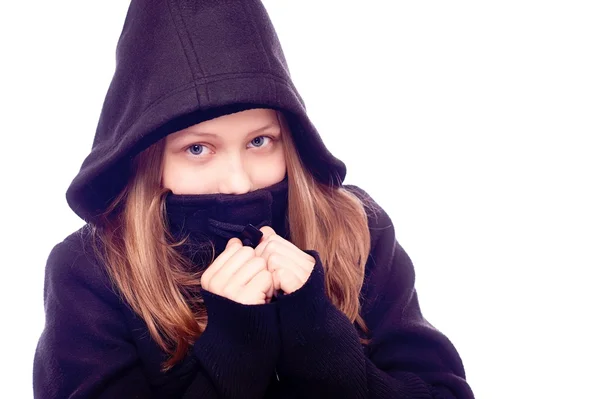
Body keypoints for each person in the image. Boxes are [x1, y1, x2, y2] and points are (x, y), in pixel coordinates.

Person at [33, 1, 474, 398]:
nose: (239, 183)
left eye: (260, 141)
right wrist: (234, 348)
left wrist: (319, 337)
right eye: (198, 149)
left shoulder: (357, 229)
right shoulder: (92, 268)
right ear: (149, 158)